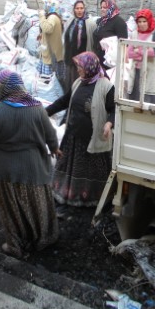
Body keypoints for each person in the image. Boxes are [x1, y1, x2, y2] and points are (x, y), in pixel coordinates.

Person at [0, 69, 60, 259]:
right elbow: (50, 135)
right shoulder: (36, 108)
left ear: (2, 89)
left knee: (11, 208)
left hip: (4, 171)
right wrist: (55, 148)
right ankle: (43, 238)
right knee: (37, 204)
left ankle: (16, 244)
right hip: (33, 168)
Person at [46, 52, 115, 206]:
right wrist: (46, 111)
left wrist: (109, 123)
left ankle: (92, 199)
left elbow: (114, 110)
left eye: (80, 67)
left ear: (90, 67)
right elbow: (64, 101)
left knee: (92, 171)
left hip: (93, 138)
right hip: (74, 136)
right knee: (70, 167)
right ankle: (69, 195)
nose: (78, 69)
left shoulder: (106, 87)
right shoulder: (79, 82)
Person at [62, 0, 96, 92]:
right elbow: (66, 39)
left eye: (81, 8)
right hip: (70, 58)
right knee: (69, 83)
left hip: (82, 61)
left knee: (80, 84)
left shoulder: (90, 23)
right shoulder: (70, 21)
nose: (79, 10)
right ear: (74, 10)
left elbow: (93, 43)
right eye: (77, 8)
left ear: (84, 9)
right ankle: (69, 102)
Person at [127, 8, 155, 103]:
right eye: (139, 21)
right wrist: (144, 53)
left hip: (150, 71)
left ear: (149, 21)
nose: (141, 24)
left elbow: (154, 52)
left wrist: (138, 51)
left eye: (144, 21)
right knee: (136, 98)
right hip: (136, 70)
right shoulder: (134, 34)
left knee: (148, 97)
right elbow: (129, 53)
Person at [93, 0, 128, 70]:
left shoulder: (119, 22)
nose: (102, 9)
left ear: (111, 8)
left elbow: (123, 44)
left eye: (105, 8)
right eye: (101, 7)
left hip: (111, 63)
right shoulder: (102, 21)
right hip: (99, 60)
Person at [38, 0, 65, 84]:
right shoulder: (54, 16)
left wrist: (41, 16)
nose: (44, 7)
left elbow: (47, 28)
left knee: (49, 83)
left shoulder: (52, 17)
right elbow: (50, 32)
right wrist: (42, 36)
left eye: (45, 5)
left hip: (51, 56)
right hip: (53, 53)